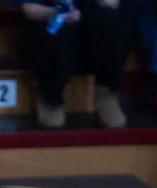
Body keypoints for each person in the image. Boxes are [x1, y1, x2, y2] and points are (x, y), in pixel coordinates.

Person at [18, 0, 138, 128]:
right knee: (55, 36)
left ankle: (106, 95)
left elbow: (112, 3)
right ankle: (51, 100)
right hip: (53, 23)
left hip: (91, 32)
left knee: (110, 21)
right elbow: (29, 10)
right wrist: (58, 13)